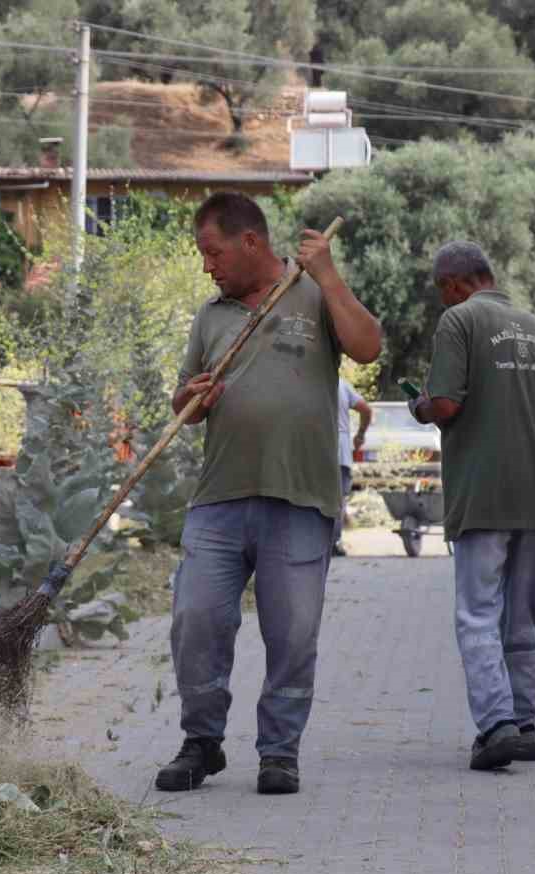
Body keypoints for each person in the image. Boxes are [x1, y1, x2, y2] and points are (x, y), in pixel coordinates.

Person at [156, 192, 383, 796]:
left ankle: (279, 751)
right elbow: (186, 403)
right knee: (196, 619)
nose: (207, 265)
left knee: (293, 633)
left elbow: (367, 346)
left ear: (250, 242)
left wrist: (330, 276)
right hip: (220, 497)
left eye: (213, 252)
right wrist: (191, 400)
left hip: (300, 499)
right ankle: (201, 743)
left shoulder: (313, 294)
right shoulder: (211, 315)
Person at [408, 241, 535, 771]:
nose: (442, 300)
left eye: (441, 290)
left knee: (477, 616)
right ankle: (524, 723)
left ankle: (497, 725)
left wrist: (421, 406)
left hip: (482, 494)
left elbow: (448, 404)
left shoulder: (459, 321)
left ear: (454, 283)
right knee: (520, 621)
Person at [333, 378, 371, 556]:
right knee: (337, 500)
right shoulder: (341, 384)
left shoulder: (304, 380)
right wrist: (360, 435)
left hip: (314, 449)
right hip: (340, 450)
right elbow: (365, 409)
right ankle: (334, 542)